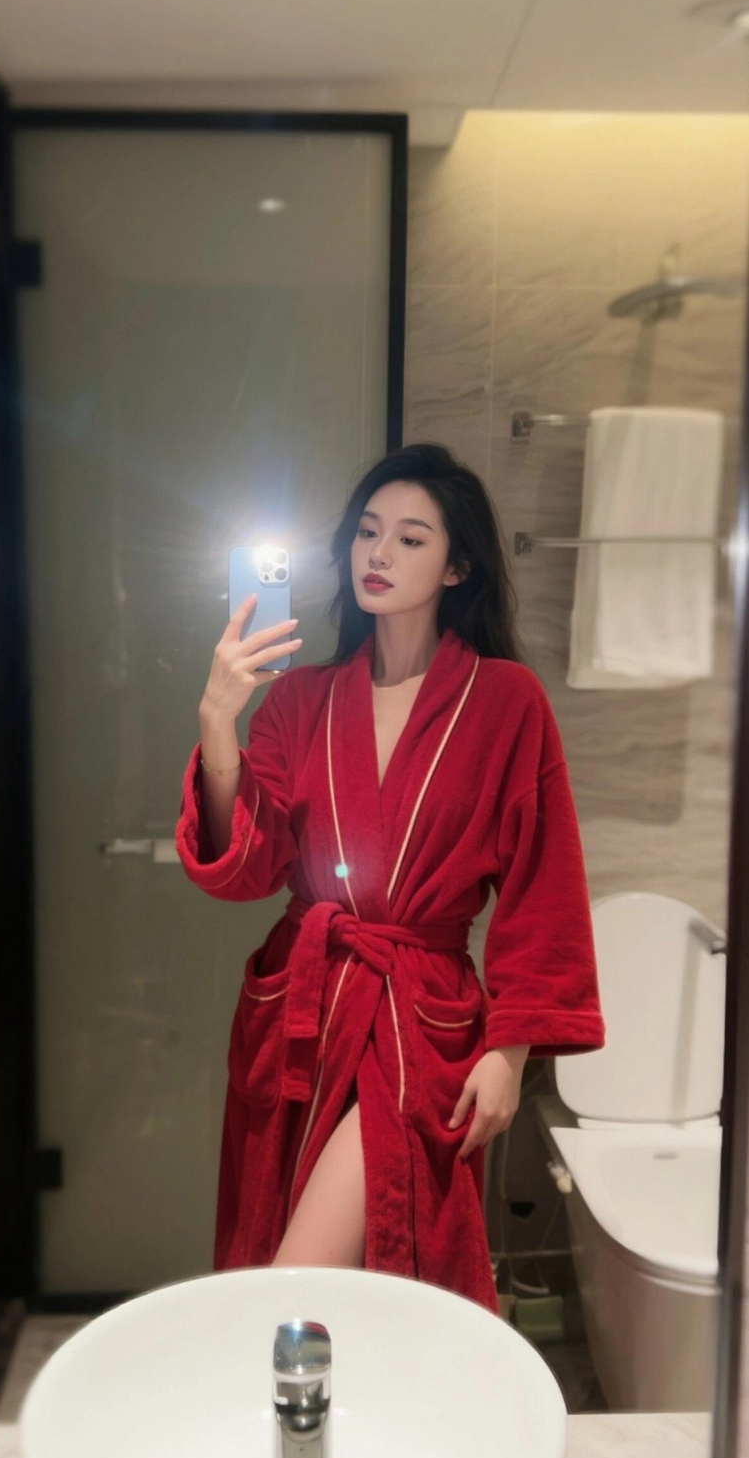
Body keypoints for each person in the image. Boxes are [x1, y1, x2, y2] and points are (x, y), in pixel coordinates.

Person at [174, 441, 605, 1314]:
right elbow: (245, 869)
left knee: (297, 1286)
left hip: (420, 1027)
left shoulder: (505, 702)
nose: (378, 554)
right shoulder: (301, 700)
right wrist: (220, 725)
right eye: (367, 532)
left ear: (457, 567)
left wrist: (510, 1053)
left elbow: (542, 887)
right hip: (302, 1016)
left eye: (411, 539)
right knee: (303, 1277)